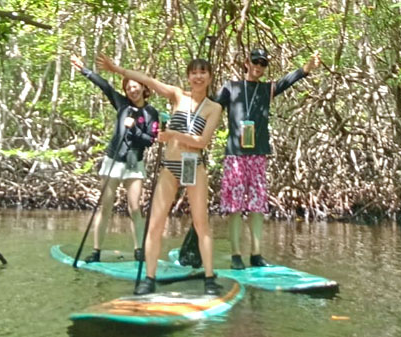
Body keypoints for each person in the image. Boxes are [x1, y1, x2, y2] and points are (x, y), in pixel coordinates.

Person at [95, 53, 223, 296]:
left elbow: (203, 141)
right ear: (188, 76)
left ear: (209, 77)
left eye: (203, 72)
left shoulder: (214, 108)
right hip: (170, 166)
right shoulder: (177, 95)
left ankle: (209, 278)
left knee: (201, 223)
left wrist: (173, 135)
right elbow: (148, 80)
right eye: (194, 72)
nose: (198, 77)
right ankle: (149, 278)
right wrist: (116, 69)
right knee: (155, 224)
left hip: (194, 166)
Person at [217, 45, 320, 269]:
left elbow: (286, 81)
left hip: (258, 155)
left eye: (263, 63)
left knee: (257, 206)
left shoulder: (266, 89)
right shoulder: (231, 88)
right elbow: (211, 108)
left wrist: (306, 69)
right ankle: (236, 255)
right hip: (235, 155)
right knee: (234, 207)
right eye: (255, 62)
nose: (258, 67)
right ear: (247, 62)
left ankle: (256, 254)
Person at [71, 54, 159, 262]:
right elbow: (105, 87)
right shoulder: (121, 104)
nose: (132, 90)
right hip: (113, 162)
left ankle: (139, 251)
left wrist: (135, 128)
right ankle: (96, 251)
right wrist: (85, 70)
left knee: (135, 207)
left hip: (134, 164)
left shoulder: (151, 113)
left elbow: (149, 140)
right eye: (128, 87)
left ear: (144, 88)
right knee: (106, 206)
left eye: (136, 86)